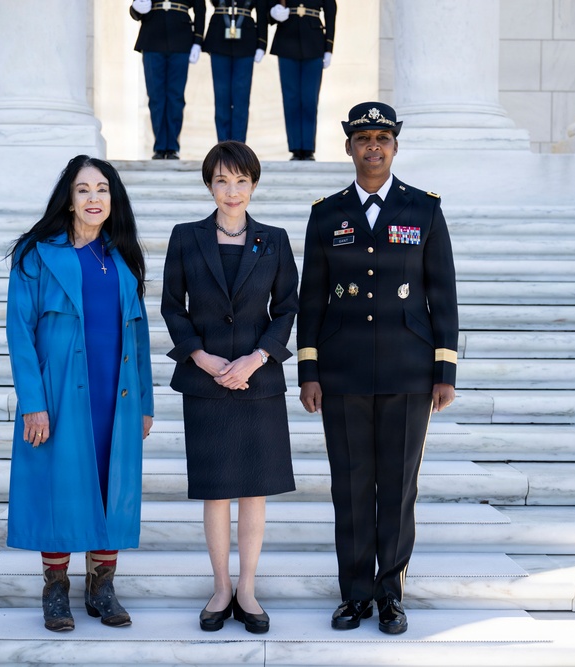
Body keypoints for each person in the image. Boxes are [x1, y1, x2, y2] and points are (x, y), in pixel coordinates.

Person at [296, 102, 459, 635]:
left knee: (397, 487)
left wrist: (444, 370)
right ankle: (354, 596)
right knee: (350, 487)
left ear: (395, 146)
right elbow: (311, 297)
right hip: (341, 372)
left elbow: (443, 294)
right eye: (363, 137)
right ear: (348, 147)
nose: (373, 146)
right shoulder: (326, 214)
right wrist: (309, 371)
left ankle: (390, 595)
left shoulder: (424, 210)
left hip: (409, 371)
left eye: (382, 137)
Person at [5, 155, 154, 632]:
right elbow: (18, 331)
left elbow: (141, 335)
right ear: (68, 200)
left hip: (117, 393)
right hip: (60, 393)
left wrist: (146, 404)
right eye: (84, 190)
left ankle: (101, 588)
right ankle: (55, 590)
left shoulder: (122, 256)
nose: (94, 199)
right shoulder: (37, 254)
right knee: (60, 486)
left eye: (103, 189)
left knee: (112, 487)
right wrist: (33, 403)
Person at [161, 141, 299, 634]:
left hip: (257, 382)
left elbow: (286, 308)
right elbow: (172, 306)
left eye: (241, 180)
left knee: (254, 493)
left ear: (254, 185)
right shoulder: (185, 237)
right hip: (206, 382)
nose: (232, 190)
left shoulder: (276, 240)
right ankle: (221, 588)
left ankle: (247, 588)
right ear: (209, 185)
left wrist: (257, 357)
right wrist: (199, 354)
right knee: (217, 493)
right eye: (222, 180)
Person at [130, 0, 206, 159]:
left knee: (175, 97)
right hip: (152, 38)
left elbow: (200, 8)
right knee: (156, 96)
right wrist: (135, 9)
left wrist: (198, 41)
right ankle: (159, 146)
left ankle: (172, 146)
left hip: (181, 38)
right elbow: (138, 7)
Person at [267, 1, 337, 161]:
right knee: (290, 99)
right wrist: (273, 12)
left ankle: (308, 147)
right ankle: (295, 147)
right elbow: (269, 7)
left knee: (309, 99)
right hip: (286, 41)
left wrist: (329, 48)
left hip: (314, 43)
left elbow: (331, 13)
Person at [202, 0, 269, 143]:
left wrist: (262, 42)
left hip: (246, 38)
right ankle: (223, 146)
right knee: (221, 98)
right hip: (219, 36)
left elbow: (262, 10)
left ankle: (239, 147)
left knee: (241, 99)